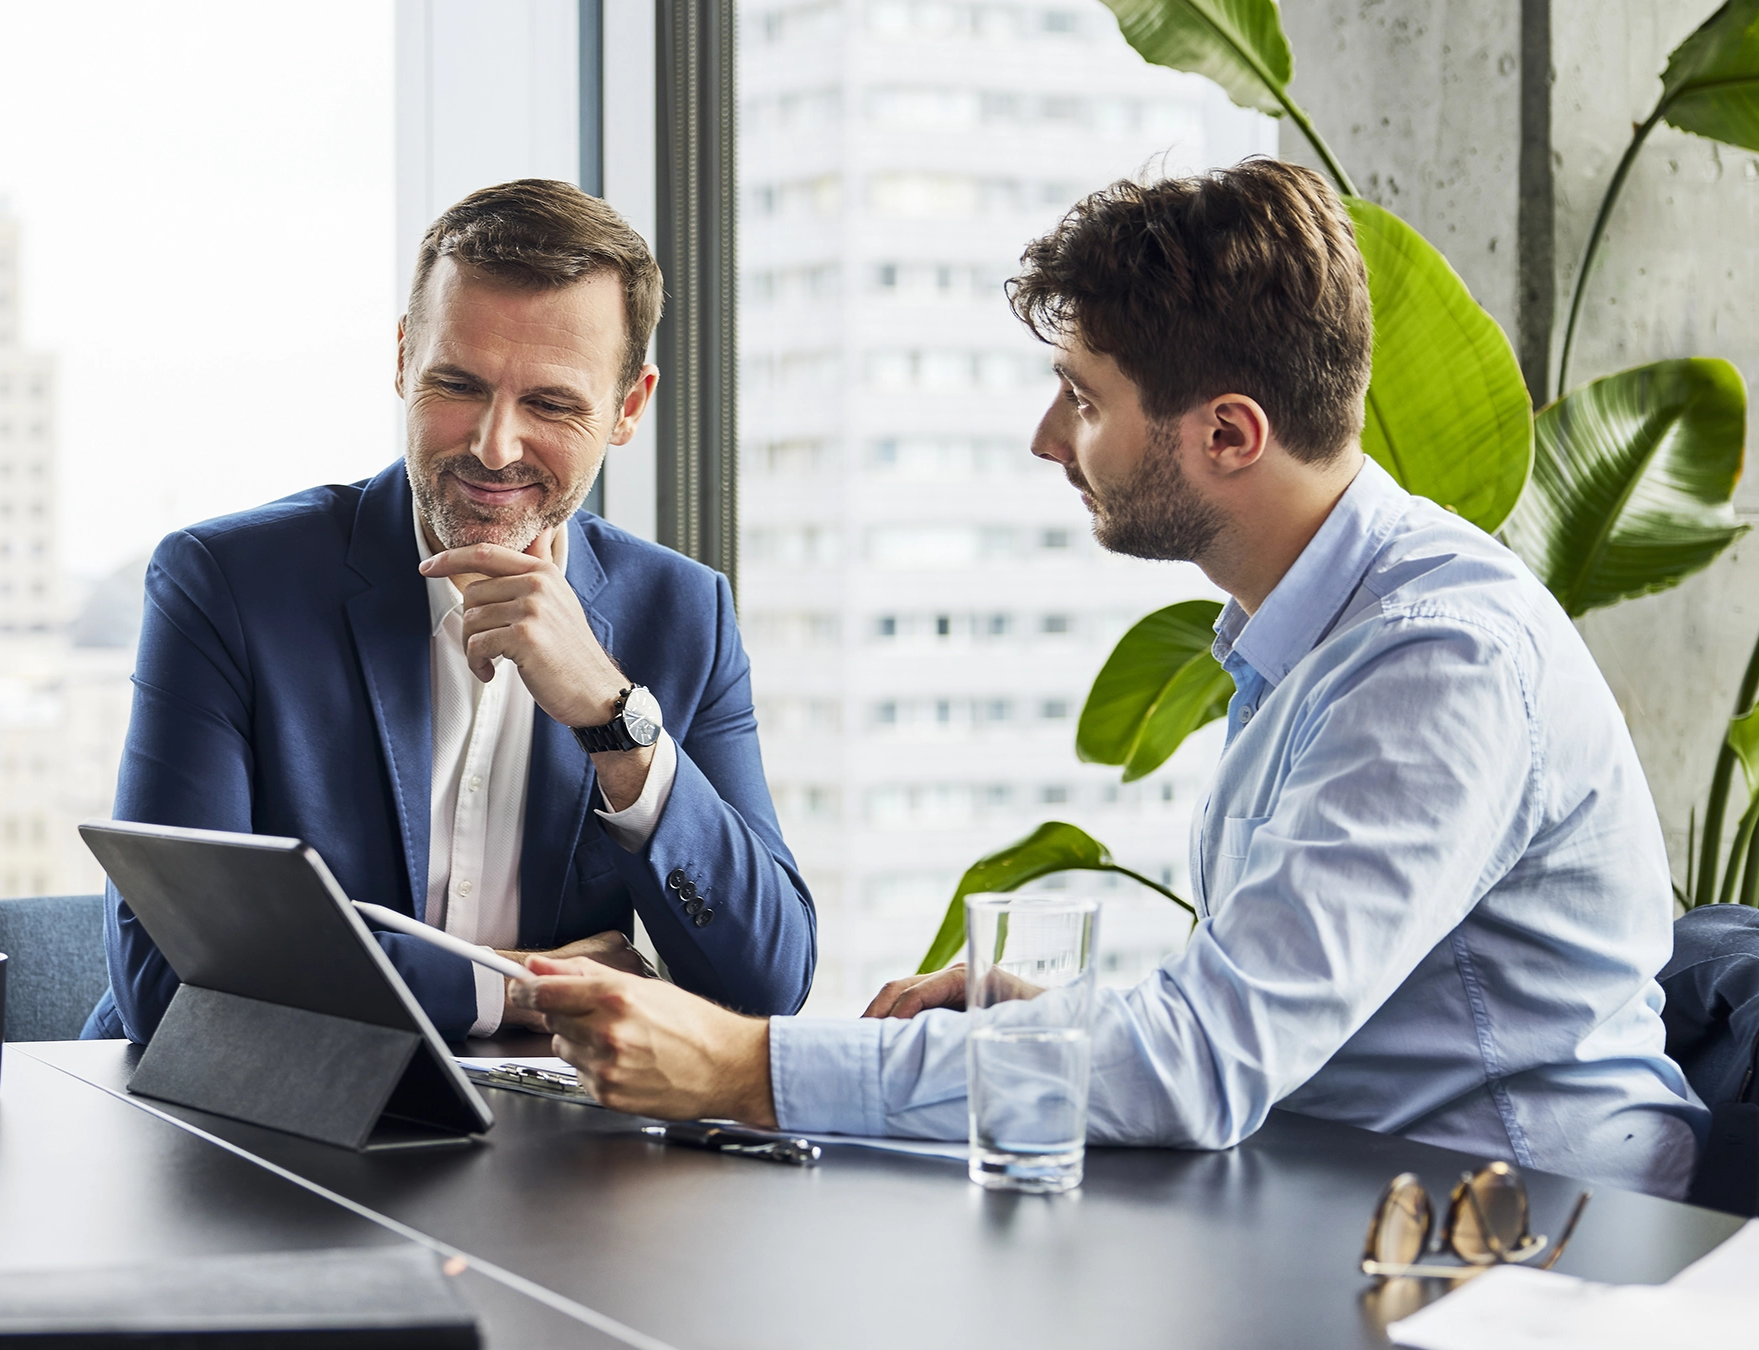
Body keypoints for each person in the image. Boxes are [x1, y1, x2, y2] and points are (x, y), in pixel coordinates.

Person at [511, 158, 1708, 1199]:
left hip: (1515, 1256)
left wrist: (741, 1067)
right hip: (1343, 1196)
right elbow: (1286, 1023)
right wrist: (1043, 1026)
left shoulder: (1438, 665)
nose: (1046, 438)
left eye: (1083, 398)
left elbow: (1204, 1065)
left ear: (1229, 436)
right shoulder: (1311, 632)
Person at [83, 179, 815, 1044]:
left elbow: (768, 978)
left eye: (550, 403)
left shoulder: (684, 613)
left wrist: (612, 720)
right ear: (402, 360)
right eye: (459, 385)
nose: (493, 446)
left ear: (628, 408)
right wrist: (520, 988)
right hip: (246, 1139)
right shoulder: (226, 585)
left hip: (550, 1154)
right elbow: (168, 982)